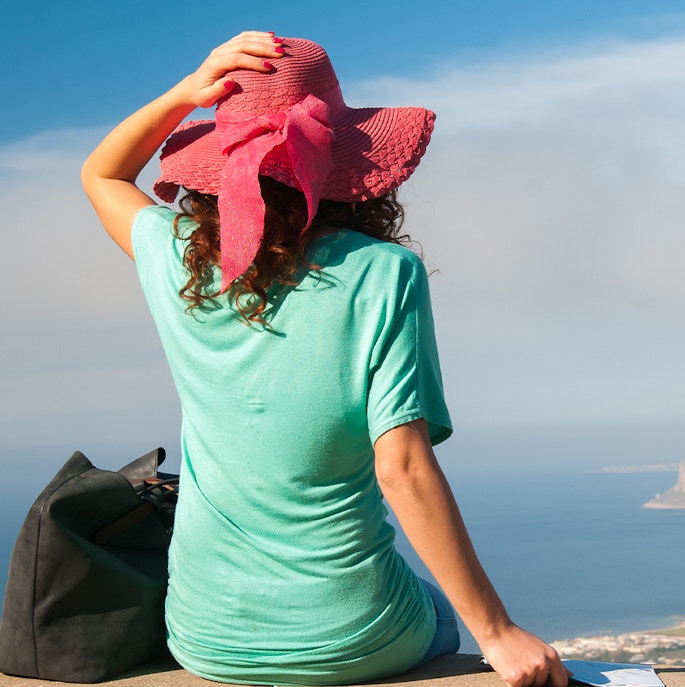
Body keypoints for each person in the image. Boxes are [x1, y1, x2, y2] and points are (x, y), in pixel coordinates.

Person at [81, 32, 568, 687]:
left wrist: (187, 93)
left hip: (207, 636)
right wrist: (499, 632)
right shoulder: (384, 274)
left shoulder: (176, 258)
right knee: (438, 615)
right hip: (355, 638)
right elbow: (401, 466)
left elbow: (102, 174)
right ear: (347, 163)